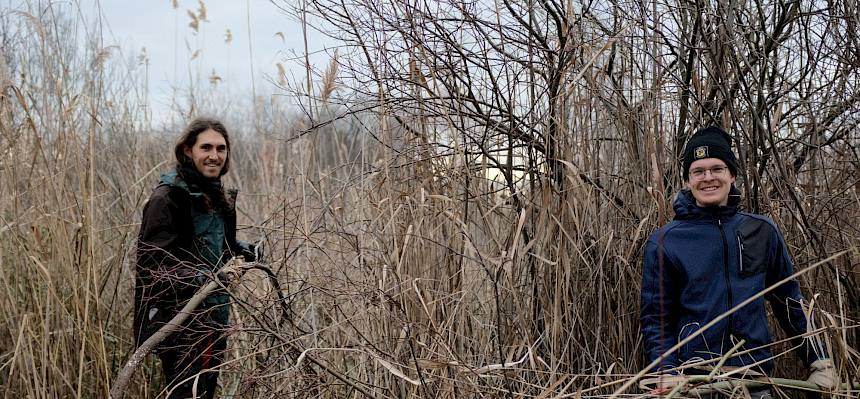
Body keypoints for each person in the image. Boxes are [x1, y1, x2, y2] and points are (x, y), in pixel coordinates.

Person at [640, 126, 837, 397]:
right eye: (698, 171)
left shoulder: (761, 231)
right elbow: (656, 318)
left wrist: (819, 359)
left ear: (732, 174)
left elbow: (789, 301)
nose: (708, 178)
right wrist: (666, 371)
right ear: (687, 180)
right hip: (693, 382)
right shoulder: (666, 241)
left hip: (754, 377)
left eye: (717, 169)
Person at [133, 117, 256, 399]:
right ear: (188, 150)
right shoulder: (167, 199)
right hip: (181, 322)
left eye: (221, 149)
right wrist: (204, 278)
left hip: (215, 317)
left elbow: (213, 242)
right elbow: (152, 269)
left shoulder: (218, 195)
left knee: (205, 394)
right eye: (206, 148)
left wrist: (242, 248)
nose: (215, 156)